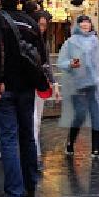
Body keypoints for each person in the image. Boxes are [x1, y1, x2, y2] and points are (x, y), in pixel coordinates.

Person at [0, 0, 47, 197]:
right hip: (27, 86)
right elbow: (40, 52)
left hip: (6, 86)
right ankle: (30, 184)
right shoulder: (29, 21)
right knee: (27, 135)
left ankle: (13, 194)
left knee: (9, 139)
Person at [58, 15, 99, 159]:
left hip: (94, 83)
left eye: (88, 23)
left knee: (97, 115)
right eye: (83, 23)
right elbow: (61, 61)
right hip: (77, 84)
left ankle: (96, 149)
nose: (86, 26)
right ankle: (70, 142)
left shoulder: (95, 42)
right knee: (79, 115)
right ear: (78, 25)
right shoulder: (70, 42)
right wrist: (70, 64)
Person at [34, 10, 59, 166]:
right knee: (33, 118)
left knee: (37, 119)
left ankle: (35, 152)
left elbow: (47, 64)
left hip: (41, 83)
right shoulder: (28, 39)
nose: (42, 28)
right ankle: (34, 152)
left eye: (44, 25)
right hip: (29, 83)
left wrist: (53, 82)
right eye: (40, 24)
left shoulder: (44, 42)